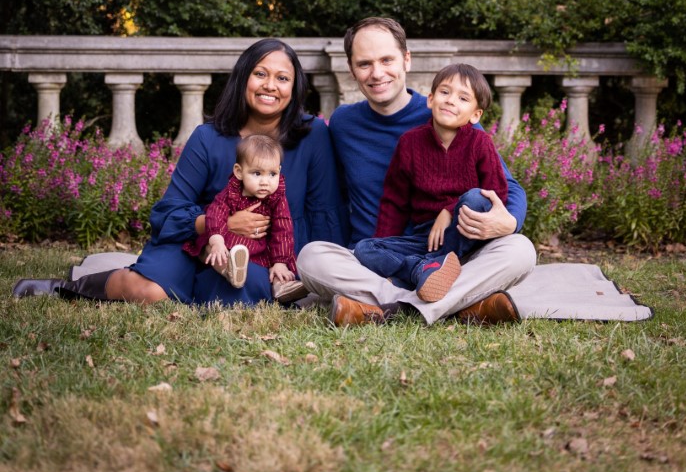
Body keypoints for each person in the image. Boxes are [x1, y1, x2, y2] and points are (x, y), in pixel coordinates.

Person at [13, 39, 346, 306]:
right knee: (150, 292)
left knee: (239, 291)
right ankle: (69, 287)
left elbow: (325, 212)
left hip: (265, 255)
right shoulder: (208, 137)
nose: (270, 86)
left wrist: (307, 268)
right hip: (197, 244)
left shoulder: (312, 134)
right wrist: (220, 225)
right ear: (243, 77)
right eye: (260, 74)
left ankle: (186, 284)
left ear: (294, 86)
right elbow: (168, 211)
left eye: (282, 78)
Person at [297, 17, 536, 326]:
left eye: (387, 60)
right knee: (312, 258)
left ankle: (387, 307)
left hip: (454, 256)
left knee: (520, 250)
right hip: (382, 259)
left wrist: (508, 220)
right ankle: (458, 304)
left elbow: (508, 187)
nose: (377, 73)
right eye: (365, 64)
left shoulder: (448, 112)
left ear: (406, 60)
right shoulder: (344, 123)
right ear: (351, 69)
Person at [353, 63, 508, 303]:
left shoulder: (480, 143)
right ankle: (422, 270)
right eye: (445, 93)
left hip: (465, 234)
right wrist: (384, 243)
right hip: (424, 239)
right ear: (430, 99)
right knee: (366, 248)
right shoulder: (410, 143)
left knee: (476, 197)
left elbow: (496, 194)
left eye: (463, 98)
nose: (450, 101)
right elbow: (395, 202)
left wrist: (449, 211)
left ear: (476, 114)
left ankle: (426, 272)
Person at [183, 132, 306, 303]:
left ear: (279, 171)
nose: (265, 181)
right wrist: (217, 242)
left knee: (276, 265)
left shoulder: (277, 198)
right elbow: (214, 215)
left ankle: (280, 287)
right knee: (214, 252)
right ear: (239, 172)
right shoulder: (231, 193)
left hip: (258, 248)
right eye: (257, 173)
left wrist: (280, 262)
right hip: (226, 243)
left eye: (272, 174)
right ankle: (229, 269)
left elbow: (283, 230)